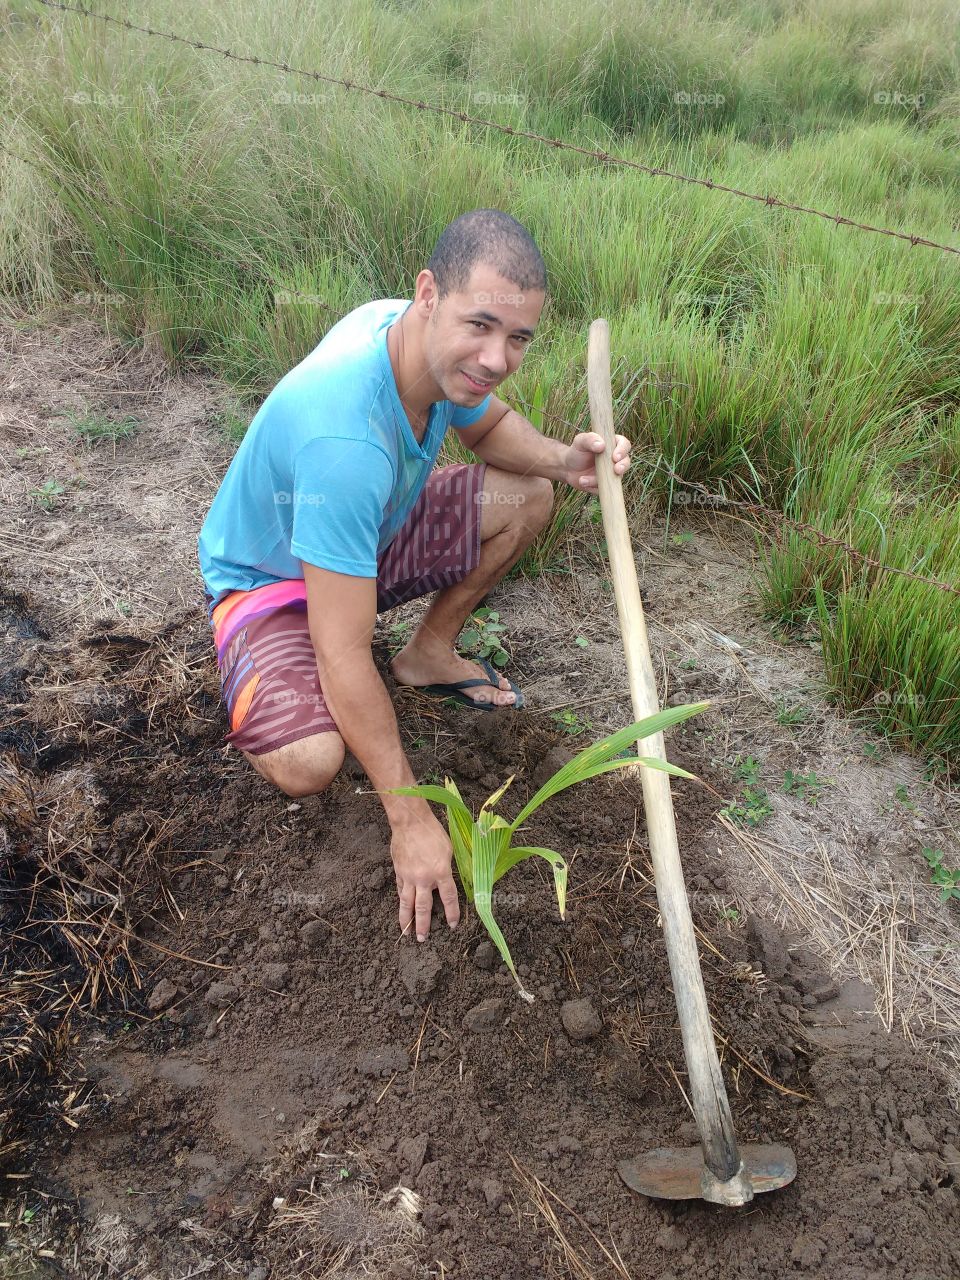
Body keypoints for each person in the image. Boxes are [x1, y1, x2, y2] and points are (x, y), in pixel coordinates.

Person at [197, 208, 632, 944]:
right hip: (269, 584)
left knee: (525, 495)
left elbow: (488, 429)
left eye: (517, 338)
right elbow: (341, 651)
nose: (495, 358)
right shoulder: (345, 440)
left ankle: (427, 654)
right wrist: (410, 815)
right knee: (311, 761)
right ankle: (254, 665)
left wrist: (567, 460)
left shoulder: (413, 341)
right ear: (429, 294)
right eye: (480, 325)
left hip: (364, 535)